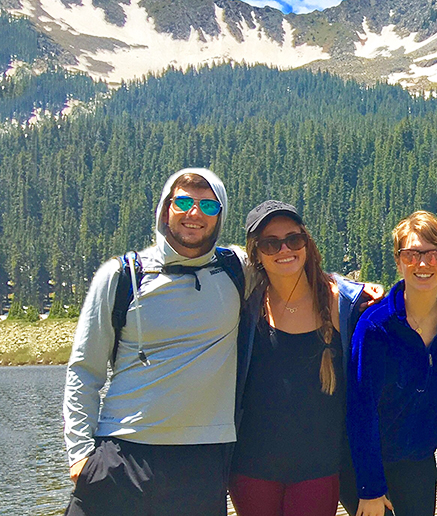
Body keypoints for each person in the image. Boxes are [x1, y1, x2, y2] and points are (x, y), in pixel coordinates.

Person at [63, 168, 241, 516]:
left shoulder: (236, 269)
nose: (195, 213)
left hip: (203, 457)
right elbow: (84, 370)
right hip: (122, 452)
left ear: (220, 215)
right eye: (185, 201)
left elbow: (292, 269)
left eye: (208, 205)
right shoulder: (122, 275)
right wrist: (81, 456)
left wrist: (356, 293)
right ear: (165, 208)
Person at [229, 201, 372, 516]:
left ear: (307, 244)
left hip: (318, 469)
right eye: (271, 243)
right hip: (251, 467)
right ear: (256, 253)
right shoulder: (247, 306)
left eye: (293, 240)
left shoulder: (342, 305)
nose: (284, 249)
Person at [347, 212, 437, 516]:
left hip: (418, 460)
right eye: (412, 254)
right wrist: (371, 488)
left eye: (433, 254)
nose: (422, 263)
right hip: (372, 465)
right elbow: (360, 411)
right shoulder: (377, 326)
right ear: (399, 261)